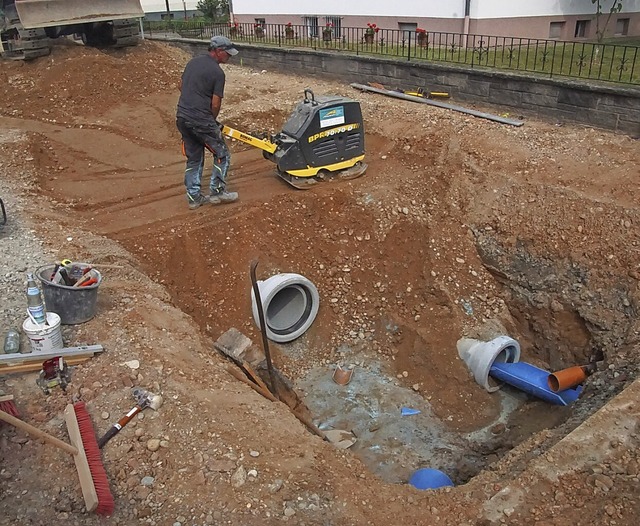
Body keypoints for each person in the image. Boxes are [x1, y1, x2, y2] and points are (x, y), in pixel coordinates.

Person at [176, 35, 239, 210]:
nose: (229, 57)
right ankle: (218, 192)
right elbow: (215, 103)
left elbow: (180, 85)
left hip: (182, 117)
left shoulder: (192, 63)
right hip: (201, 120)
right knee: (221, 154)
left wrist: (193, 98)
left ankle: (194, 198)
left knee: (194, 158)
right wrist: (211, 119)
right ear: (218, 52)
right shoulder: (217, 73)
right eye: (228, 54)